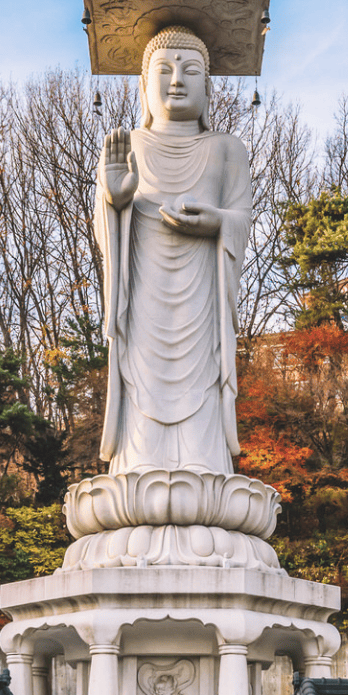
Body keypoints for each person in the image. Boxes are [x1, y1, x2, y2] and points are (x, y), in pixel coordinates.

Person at [95, 26, 253, 475]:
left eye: (191, 70)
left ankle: (205, 470)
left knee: (201, 399)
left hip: (202, 301)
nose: (177, 80)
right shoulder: (130, 147)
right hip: (143, 302)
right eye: (163, 70)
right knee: (141, 402)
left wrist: (219, 222)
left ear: (209, 85)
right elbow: (107, 231)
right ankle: (138, 469)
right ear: (144, 86)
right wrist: (115, 201)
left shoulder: (227, 149)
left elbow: (243, 217)